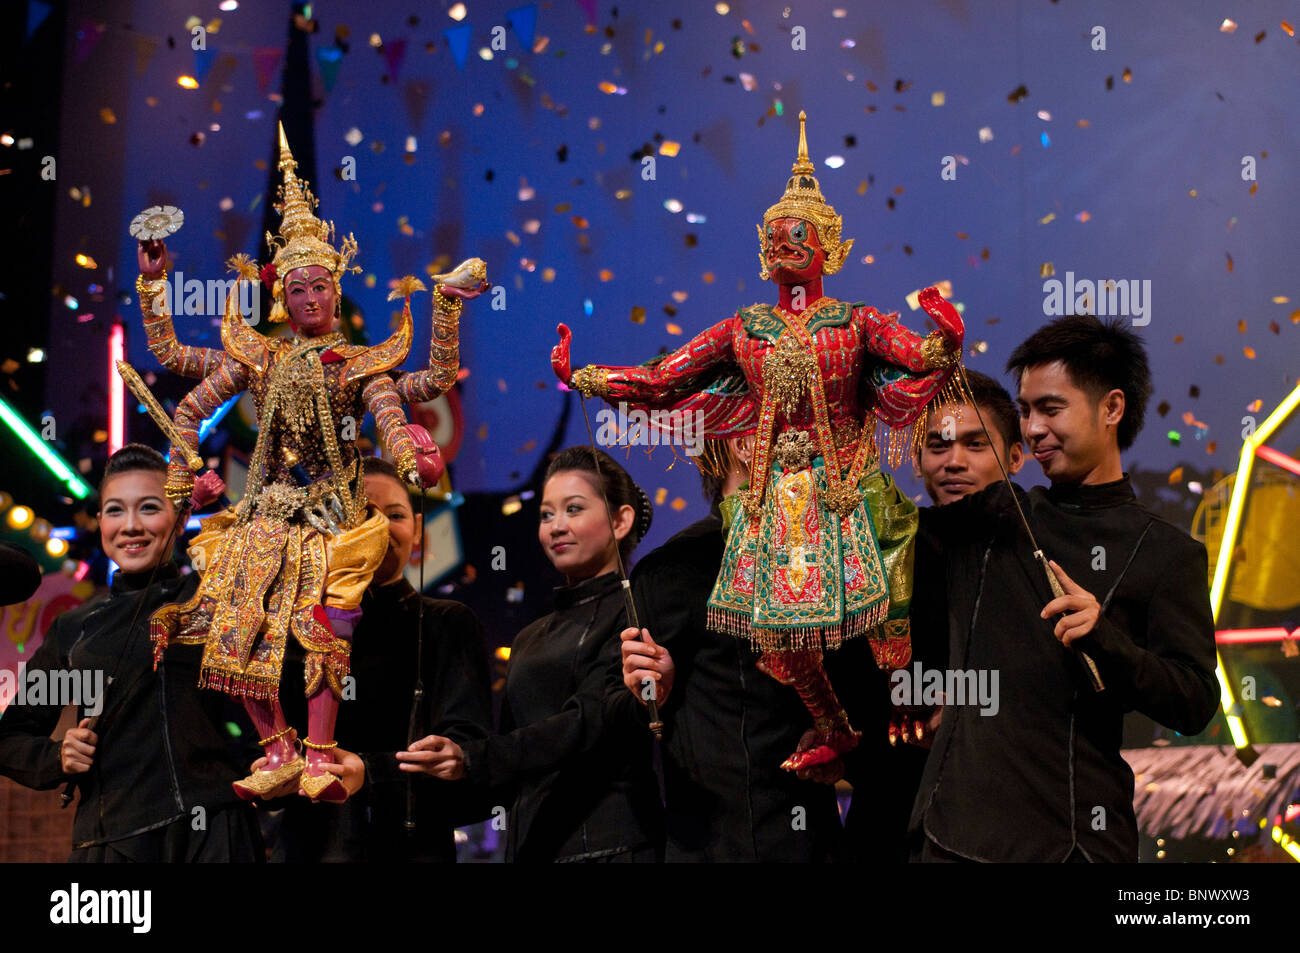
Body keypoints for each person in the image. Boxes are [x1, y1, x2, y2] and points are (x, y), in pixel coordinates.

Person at [551, 111, 966, 771]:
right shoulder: (743, 327)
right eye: (774, 235)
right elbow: (663, 379)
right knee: (777, 632)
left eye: (797, 233)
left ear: (829, 244)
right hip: (779, 505)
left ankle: (906, 711)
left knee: (891, 613)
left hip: (850, 487)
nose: (783, 243)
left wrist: (946, 333)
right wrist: (587, 375)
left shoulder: (857, 321)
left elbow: (919, 356)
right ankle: (834, 723)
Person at [137, 124, 486, 801]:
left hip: (332, 509)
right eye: (297, 291)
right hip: (266, 509)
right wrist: (155, 288)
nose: (310, 300)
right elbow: (180, 367)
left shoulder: (357, 363)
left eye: (321, 288)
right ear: (280, 295)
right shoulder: (257, 355)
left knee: (329, 620)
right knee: (230, 617)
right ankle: (277, 746)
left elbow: (417, 389)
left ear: (336, 287)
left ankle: (321, 752)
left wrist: (412, 444)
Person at [908, 317, 1219, 862]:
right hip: (950, 839)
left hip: (1078, 844)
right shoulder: (993, 517)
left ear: (1111, 408)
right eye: (1025, 411)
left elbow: (1194, 702)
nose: (1031, 429)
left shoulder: (1168, 553)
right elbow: (878, 525)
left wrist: (1106, 638)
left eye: (1050, 409)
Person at [0, 445, 263, 861]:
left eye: (149, 508)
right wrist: (57, 757)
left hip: (215, 834)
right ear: (101, 522)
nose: (131, 526)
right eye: (116, 511)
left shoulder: (215, 604)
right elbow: (10, 738)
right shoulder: (77, 630)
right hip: (113, 843)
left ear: (180, 519)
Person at [409, 447, 663, 863]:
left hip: (612, 848)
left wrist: (474, 758)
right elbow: (509, 765)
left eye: (574, 509)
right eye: (546, 515)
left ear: (620, 520)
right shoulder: (529, 637)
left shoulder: (637, 614)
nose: (556, 527)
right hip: (532, 847)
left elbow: (587, 722)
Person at [618, 435, 852, 861]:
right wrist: (653, 694)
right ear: (746, 442)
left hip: (811, 840)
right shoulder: (670, 572)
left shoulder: (835, 555)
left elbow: (863, 690)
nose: (814, 440)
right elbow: (623, 720)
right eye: (790, 425)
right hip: (710, 846)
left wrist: (841, 741)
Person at [272, 456, 493, 862]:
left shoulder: (447, 624)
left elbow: (466, 752)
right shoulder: (295, 630)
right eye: (358, 513)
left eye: (395, 514)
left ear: (418, 530)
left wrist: (368, 773)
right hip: (309, 846)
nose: (378, 527)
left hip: (410, 846)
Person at [843, 368, 1023, 862]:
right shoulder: (878, 556)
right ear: (917, 461)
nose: (954, 462)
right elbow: (848, 687)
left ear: (1016, 456)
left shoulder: (1046, 560)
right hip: (891, 823)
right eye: (938, 446)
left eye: (975, 445)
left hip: (1015, 828)